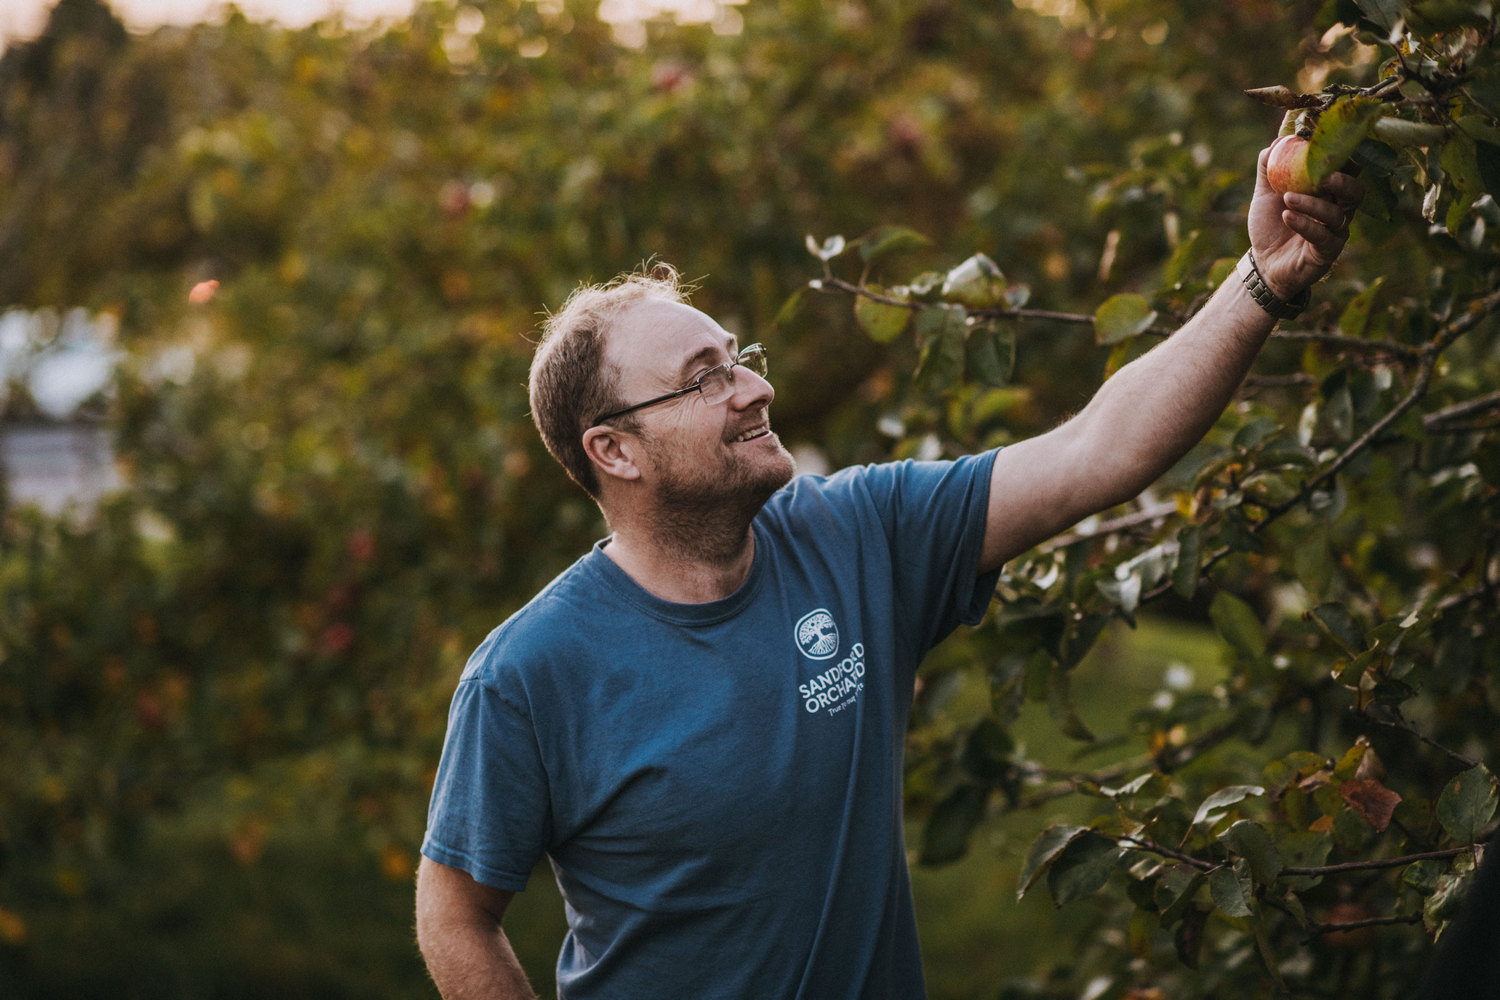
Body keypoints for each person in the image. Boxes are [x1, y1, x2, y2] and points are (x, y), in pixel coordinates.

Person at [414, 144, 1363, 1000]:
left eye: (738, 358)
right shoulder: (531, 674)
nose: (755, 388)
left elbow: (1099, 450)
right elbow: (455, 911)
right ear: (614, 451)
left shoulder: (857, 533)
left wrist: (1263, 280)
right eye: (705, 378)